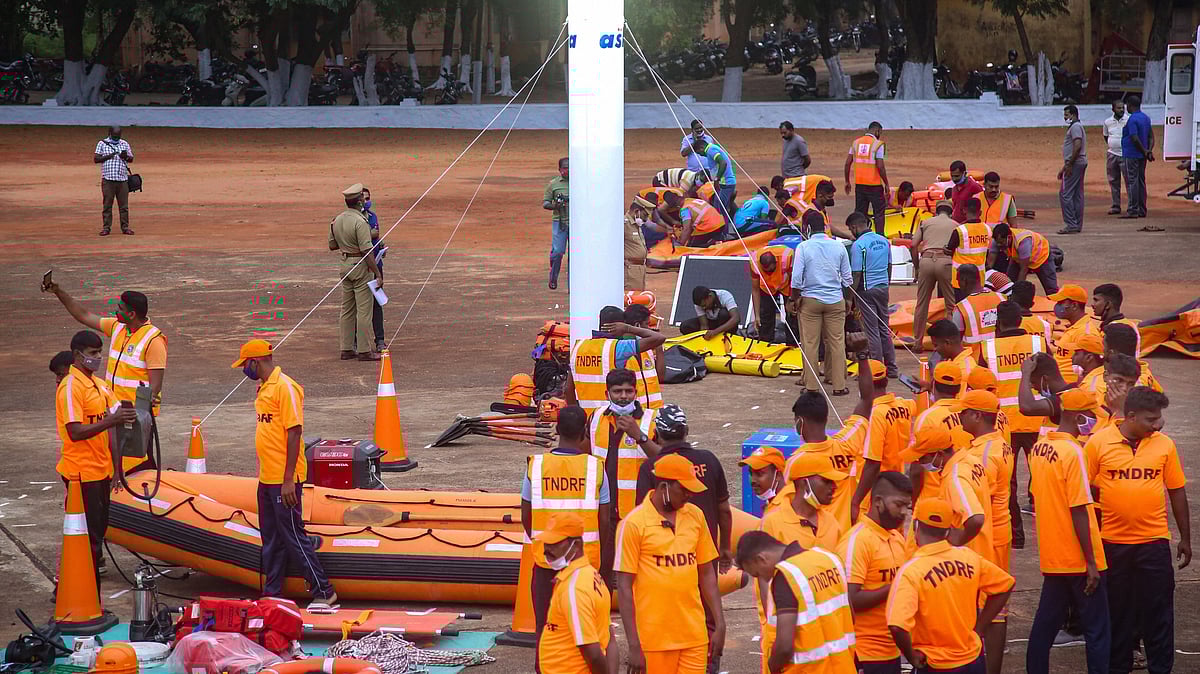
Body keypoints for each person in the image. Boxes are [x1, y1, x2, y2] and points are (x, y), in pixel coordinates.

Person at [1085, 387, 1190, 674]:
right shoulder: (1098, 444)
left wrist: (1185, 538)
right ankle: (1118, 667)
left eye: (1158, 418)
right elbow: (1082, 492)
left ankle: (1161, 668)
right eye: (1150, 419)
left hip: (1153, 543)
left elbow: (1177, 490)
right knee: (1118, 613)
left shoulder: (1164, 445)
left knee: (1158, 614)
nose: (1157, 424)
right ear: (1130, 417)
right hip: (1112, 544)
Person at [232, 339, 336, 608]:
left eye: (245, 364)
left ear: (255, 361)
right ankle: (272, 593)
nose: (244, 370)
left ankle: (324, 591)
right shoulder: (265, 388)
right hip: (267, 478)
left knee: (292, 534)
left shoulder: (285, 388)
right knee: (271, 537)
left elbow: (294, 432)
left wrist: (289, 479)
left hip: (283, 480)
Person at [1025, 387, 1110, 674]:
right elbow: (1077, 509)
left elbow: (1040, 494)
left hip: (1053, 554)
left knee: (1044, 627)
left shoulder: (1040, 446)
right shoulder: (1073, 452)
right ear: (1077, 417)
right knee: (1098, 630)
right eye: (1090, 414)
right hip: (1077, 556)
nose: (1094, 419)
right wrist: (1091, 563)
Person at [616, 453, 724, 674]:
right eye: (683, 489)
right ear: (664, 486)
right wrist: (634, 645)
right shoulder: (634, 524)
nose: (689, 495)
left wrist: (719, 622)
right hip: (654, 641)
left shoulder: (695, 516)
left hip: (694, 636)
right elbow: (625, 587)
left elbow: (706, 574)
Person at [45, 281, 167, 473]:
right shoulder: (118, 327)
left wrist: (136, 417)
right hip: (112, 413)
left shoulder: (154, 340)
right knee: (115, 465)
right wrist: (59, 292)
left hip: (132, 417)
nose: (116, 311)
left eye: (120, 308)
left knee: (136, 467)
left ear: (132, 314)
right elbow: (83, 315)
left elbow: (155, 387)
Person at [886, 498, 1015, 674]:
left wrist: (910, 656)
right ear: (948, 531)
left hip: (936, 664)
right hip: (972, 660)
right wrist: (979, 629)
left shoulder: (911, 571)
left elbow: (896, 626)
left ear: (916, 526)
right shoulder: (969, 557)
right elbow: (1005, 584)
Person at [521, 405, 610, 657]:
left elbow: (526, 516)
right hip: (585, 564)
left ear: (557, 429)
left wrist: (542, 543)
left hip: (546, 562)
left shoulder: (535, 466)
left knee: (545, 626)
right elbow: (604, 522)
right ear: (585, 432)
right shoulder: (596, 469)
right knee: (586, 629)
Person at [56, 330, 137, 590]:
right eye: (93, 354)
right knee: (85, 537)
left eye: (100, 352)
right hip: (80, 474)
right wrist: (111, 420)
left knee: (96, 535)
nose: (98, 358)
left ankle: (84, 591)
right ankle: (77, 591)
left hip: (100, 471)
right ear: (78, 355)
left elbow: (115, 424)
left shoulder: (99, 386)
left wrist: (117, 467)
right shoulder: (71, 387)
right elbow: (75, 431)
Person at [735, 530, 856, 674]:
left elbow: (784, 646)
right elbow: (850, 615)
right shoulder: (828, 559)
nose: (763, 579)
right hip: (844, 666)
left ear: (761, 559)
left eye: (758, 574)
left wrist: (772, 666)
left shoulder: (786, 576)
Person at [786, 334, 874, 531]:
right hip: (847, 537)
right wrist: (862, 355)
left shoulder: (796, 462)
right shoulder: (846, 443)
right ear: (826, 418)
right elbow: (867, 401)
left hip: (816, 541)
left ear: (800, 421)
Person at [979, 301, 1047, 550]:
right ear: (1020, 320)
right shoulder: (1037, 343)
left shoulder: (988, 348)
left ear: (999, 322)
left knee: (1007, 482)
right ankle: (1050, 528)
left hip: (1003, 424)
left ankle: (1016, 536)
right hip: (1036, 418)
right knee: (1042, 476)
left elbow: (983, 384)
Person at [635, 404, 732, 576]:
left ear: (656, 435)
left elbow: (642, 517)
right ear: (686, 431)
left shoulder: (650, 468)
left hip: (665, 558)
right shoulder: (709, 460)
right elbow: (724, 510)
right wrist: (724, 547)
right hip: (706, 554)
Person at [960, 390, 1014, 674]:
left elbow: (978, 507)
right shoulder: (1000, 443)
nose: (959, 417)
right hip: (1000, 532)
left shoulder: (981, 454)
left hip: (988, 537)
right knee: (998, 607)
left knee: (985, 608)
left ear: (977, 416)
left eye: (964, 413)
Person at [839, 471, 912, 674]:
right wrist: (895, 587)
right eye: (898, 505)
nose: (904, 512)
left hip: (892, 650)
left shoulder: (896, 538)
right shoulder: (857, 541)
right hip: (864, 654)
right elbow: (849, 600)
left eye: (907, 506)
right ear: (878, 502)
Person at [535, 513, 620, 674]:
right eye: (546, 543)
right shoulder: (592, 576)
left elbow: (593, 654)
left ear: (576, 545)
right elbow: (609, 639)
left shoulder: (574, 588)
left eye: (554, 543)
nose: (547, 549)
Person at [588, 369, 660, 539]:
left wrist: (640, 436)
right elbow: (586, 456)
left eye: (629, 391)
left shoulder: (652, 420)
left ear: (636, 392)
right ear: (607, 394)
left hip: (638, 510)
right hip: (603, 508)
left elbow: (665, 458)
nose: (623, 396)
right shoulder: (595, 417)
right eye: (617, 391)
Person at [791, 210, 853, 394]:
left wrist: (795, 299)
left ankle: (811, 386)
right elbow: (847, 278)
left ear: (807, 227)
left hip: (810, 300)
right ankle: (839, 385)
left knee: (810, 343)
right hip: (835, 299)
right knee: (837, 342)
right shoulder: (839, 247)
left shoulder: (803, 247)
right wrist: (848, 299)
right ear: (825, 227)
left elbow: (796, 279)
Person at [565, 306, 666, 412]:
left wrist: (579, 416)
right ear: (619, 326)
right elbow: (659, 338)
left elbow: (568, 389)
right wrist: (628, 328)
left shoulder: (578, 347)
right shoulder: (617, 348)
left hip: (589, 417)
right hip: (609, 418)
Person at [850, 361, 913, 520]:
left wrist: (855, 501)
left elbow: (873, 463)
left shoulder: (875, 414)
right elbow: (915, 404)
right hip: (895, 486)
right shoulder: (903, 405)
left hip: (874, 493)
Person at [328, 183, 383, 361]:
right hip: (360, 265)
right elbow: (367, 250)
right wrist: (377, 273)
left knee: (347, 309)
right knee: (364, 311)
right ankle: (364, 350)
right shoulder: (361, 221)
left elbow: (332, 245)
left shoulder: (337, 220)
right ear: (359, 201)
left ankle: (346, 348)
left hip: (344, 264)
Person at [849, 212, 897, 376]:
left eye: (851, 229)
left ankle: (877, 369)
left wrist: (851, 296)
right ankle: (892, 368)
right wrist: (886, 284)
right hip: (883, 287)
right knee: (884, 328)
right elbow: (890, 265)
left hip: (866, 290)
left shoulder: (858, 245)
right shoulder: (884, 241)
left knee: (872, 331)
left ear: (854, 227)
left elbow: (856, 273)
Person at [908, 200, 958, 348]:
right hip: (945, 261)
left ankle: (917, 342)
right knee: (951, 306)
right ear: (951, 212)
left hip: (927, 260)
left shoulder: (925, 222)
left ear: (936, 212)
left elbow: (913, 245)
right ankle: (950, 343)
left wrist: (917, 267)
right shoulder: (956, 225)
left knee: (922, 304)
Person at [949, 263, 1006, 355]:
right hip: (1000, 358)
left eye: (958, 280)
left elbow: (955, 341)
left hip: (974, 362)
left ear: (964, 281)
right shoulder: (1002, 299)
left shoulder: (961, 308)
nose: (958, 284)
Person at [1046, 284, 1098, 383]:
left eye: (1061, 302)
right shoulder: (1074, 327)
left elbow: (1090, 367)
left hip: (1069, 388)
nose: (1057, 305)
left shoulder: (1086, 333)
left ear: (1074, 305)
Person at [845, 121, 889, 234]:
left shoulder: (855, 143)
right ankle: (880, 237)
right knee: (879, 213)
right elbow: (880, 166)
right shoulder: (877, 144)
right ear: (877, 131)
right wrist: (886, 183)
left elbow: (847, 163)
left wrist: (847, 181)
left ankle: (858, 236)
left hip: (860, 184)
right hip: (874, 185)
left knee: (860, 213)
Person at [990, 223, 1058, 295]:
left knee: (1051, 288)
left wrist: (1018, 292)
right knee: (1009, 283)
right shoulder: (998, 240)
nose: (998, 245)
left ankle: (1055, 303)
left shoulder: (1023, 242)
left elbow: (1024, 269)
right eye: (997, 242)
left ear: (1009, 237)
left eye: (1001, 242)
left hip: (1042, 257)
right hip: (1019, 258)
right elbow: (990, 262)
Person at [751, 245, 797, 344]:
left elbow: (794, 281)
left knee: (792, 314)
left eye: (772, 270)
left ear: (776, 262)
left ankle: (793, 344)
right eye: (767, 271)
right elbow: (755, 290)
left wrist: (791, 300)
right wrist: (757, 316)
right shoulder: (754, 263)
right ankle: (765, 342)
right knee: (765, 316)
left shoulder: (787, 257)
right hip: (766, 288)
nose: (770, 273)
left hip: (786, 285)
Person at [622, 304, 666, 406]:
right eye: (647, 324)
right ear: (638, 326)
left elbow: (661, 377)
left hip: (653, 412)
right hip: (636, 414)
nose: (650, 328)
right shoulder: (622, 352)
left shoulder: (647, 348)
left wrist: (658, 346)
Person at [94, 125, 134, 236]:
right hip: (108, 180)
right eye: (115, 136)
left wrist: (125, 156)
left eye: (118, 136)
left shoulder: (124, 144)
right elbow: (96, 159)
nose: (117, 138)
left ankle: (125, 227)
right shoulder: (102, 144)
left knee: (124, 206)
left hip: (122, 179)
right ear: (110, 133)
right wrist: (109, 156)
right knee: (107, 205)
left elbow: (131, 159)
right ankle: (106, 228)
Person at [950, 199, 992, 300]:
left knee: (961, 307)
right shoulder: (987, 229)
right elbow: (987, 252)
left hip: (960, 280)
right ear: (980, 212)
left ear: (964, 210)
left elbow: (949, 250)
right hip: (979, 279)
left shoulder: (959, 231)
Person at [1120, 94, 1154, 220]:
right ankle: (1142, 209)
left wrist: (1144, 151)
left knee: (1132, 181)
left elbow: (1134, 138)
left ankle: (1133, 209)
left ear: (1130, 105)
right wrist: (1148, 151)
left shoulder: (1133, 119)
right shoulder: (1145, 118)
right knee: (1141, 181)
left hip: (1132, 154)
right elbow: (1151, 136)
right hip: (1141, 155)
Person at [361, 187, 386, 352]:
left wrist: (380, 245)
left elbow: (375, 235)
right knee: (360, 306)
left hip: (377, 264)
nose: (366, 201)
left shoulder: (372, 216)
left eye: (368, 198)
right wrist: (371, 234)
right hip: (362, 268)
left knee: (377, 303)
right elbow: (364, 237)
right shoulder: (353, 219)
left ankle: (380, 340)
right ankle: (357, 342)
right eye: (363, 198)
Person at [1058, 104, 1089, 234]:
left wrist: (1069, 164)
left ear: (1073, 114)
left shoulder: (1075, 127)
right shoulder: (1077, 127)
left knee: (1065, 194)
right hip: (1078, 162)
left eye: (1066, 115)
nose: (1065, 117)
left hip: (1075, 163)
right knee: (1077, 194)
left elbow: (1077, 146)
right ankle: (1076, 224)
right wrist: (1064, 167)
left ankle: (1071, 224)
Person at [691, 138, 737, 221]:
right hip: (723, 183)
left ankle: (723, 232)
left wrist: (716, 179)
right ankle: (722, 230)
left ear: (701, 148)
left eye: (699, 153)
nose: (701, 155)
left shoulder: (710, 150)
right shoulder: (712, 149)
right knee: (718, 207)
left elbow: (723, 162)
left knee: (720, 210)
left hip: (726, 183)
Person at [1091, 283, 1141, 356]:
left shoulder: (1114, 330)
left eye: (1096, 300)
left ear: (1108, 305)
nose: (1092, 304)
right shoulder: (1130, 324)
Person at [543, 157, 570, 289]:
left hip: (578, 223)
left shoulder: (581, 182)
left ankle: (573, 283)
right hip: (559, 221)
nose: (568, 170)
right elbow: (546, 203)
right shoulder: (553, 184)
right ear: (559, 170)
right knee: (558, 251)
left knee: (576, 254)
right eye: (565, 168)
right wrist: (556, 206)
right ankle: (553, 277)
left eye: (570, 167)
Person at [1102, 99, 1128, 216]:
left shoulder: (1128, 120)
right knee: (1113, 181)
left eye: (1123, 107)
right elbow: (1106, 136)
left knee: (1129, 181)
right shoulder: (1108, 122)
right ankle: (1116, 205)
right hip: (1112, 154)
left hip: (1126, 155)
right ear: (1113, 109)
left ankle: (1132, 206)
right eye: (1119, 108)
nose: (1121, 110)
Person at [624, 196, 651, 291]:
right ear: (636, 211)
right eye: (645, 215)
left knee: (639, 297)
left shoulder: (636, 225)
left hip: (640, 269)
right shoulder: (624, 225)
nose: (646, 219)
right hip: (630, 269)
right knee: (631, 298)